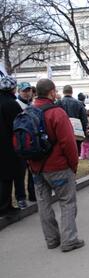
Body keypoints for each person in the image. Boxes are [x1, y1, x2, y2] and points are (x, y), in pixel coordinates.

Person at [29, 78, 84, 252]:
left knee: (43, 204)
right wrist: (73, 165)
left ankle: (52, 239)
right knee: (67, 202)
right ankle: (69, 240)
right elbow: (68, 143)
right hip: (58, 166)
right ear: (52, 92)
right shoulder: (57, 113)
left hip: (37, 167)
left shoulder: (28, 111)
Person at [0, 76, 23, 218]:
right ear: (13, 88)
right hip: (8, 145)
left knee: (3, 177)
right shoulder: (12, 104)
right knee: (8, 177)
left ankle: (6, 204)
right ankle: (4, 206)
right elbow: (18, 126)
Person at [15, 81, 36, 208]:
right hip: (21, 142)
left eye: (28, 90)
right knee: (20, 172)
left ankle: (33, 194)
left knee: (33, 170)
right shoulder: (17, 104)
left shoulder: (32, 105)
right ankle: (21, 197)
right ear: (19, 92)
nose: (27, 93)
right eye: (24, 91)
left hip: (31, 141)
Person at [59, 85, 88, 154]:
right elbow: (84, 119)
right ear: (72, 92)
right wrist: (83, 132)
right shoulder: (79, 103)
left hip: (63, 132)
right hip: (77, 132)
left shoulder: (59, 103)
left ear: (63, 92)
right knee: (75, 153)